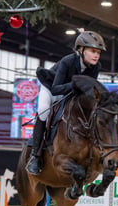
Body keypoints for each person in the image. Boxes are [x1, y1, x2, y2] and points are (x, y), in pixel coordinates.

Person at [26, 30, 106, 175]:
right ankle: (35, 156)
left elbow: (88, 89)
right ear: (81, 50)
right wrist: (76, 84)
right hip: (51, 89)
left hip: (72, 94)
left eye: (99, 53)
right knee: (43, 111)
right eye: (93, 51)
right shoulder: (67, 61)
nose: (96, 55)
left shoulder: (96, 66)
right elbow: (56, 89)